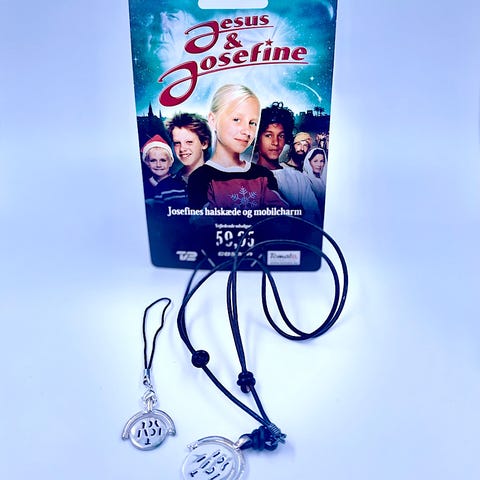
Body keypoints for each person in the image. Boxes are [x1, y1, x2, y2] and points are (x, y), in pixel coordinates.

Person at [188, 84, 286, 210]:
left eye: (252, 123)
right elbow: (204, 221)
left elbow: (281, 217)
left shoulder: (264, 175)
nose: (247, 130)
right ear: (213, 120)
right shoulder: (199, 178)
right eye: (236, 119)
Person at [255, 102, 318, 217]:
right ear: (257, 139)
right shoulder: (245, 177)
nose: (275, 142)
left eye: (281, 136)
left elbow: (313, 220)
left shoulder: (298, 179)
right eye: (268, 135)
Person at [141, 134, 187, 207]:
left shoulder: (179, 184)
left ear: (170, 162)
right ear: (147, 162)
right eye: (153, 160)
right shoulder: (143, 186)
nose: (158, 165)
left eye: (163, 160)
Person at [166, 112, 211, 184]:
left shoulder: (221, 181)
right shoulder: (166, 185)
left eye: (189, 142)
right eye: (177, 143)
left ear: (204, 144)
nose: (182, 149)